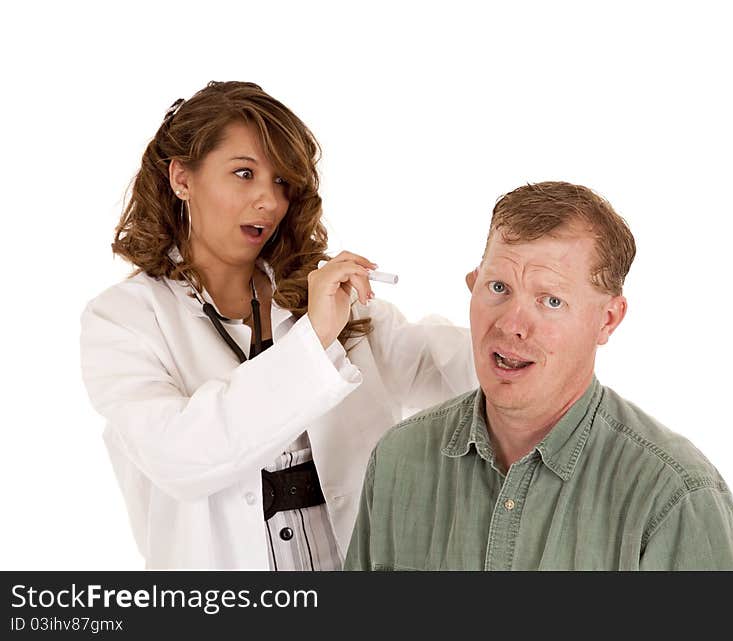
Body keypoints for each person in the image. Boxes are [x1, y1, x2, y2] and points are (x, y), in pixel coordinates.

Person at [80, 81, 476, 570]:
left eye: (282, 182)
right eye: (244, 174)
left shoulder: (332, 299)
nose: (269, 200)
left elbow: (448, 373)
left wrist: (504, 317)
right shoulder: (122, 319)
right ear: (181, 178)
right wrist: (313, 342)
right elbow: (182, 457)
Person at [345, 181, 733, 570]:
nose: (512, 325)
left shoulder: (674, 495)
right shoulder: (398, 460)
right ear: (473, 286)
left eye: (551, 300)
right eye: (499, 288)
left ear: (608, 320)